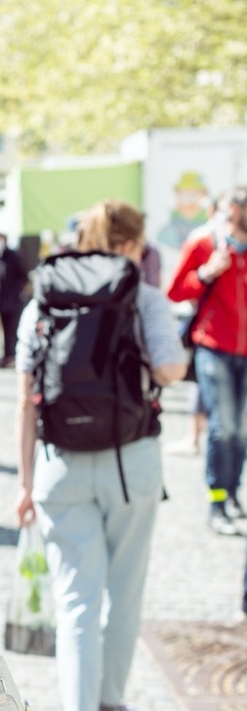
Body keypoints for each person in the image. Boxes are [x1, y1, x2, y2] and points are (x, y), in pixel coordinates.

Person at [15, 200, 186, 711]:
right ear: (135, 245)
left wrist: (25, 482)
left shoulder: (48, 294)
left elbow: (26, 396)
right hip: (130, 462)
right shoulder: (145, 296)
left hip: (59, 462)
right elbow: (169, 370)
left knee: (77, 599)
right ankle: (111, 709)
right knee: (124, 590)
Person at [166, 188, 247, 539]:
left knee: (242, 429)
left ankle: (231, 493)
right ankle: (216, 501)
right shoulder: (204, 243)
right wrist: (206, 273)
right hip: (213, 346)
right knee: (222, 426)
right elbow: (175, 291)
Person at [0, 231, 29, 368]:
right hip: (2, 299)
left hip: (14, 299)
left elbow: (25, 276)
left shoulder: (15, 256)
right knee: (6, 330)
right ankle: (6, 356)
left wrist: (22, 294)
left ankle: (14, 357)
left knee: (14, 329)